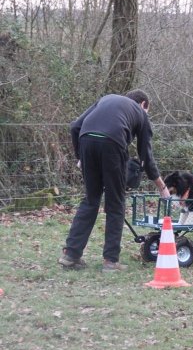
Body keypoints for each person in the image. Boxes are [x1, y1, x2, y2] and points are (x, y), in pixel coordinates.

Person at [58, 89, 170, 271]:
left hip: (86, 140)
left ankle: (71, 255)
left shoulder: (106, 99)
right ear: (143, 105)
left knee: (91, 200)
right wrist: (161, 186)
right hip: (113, 143)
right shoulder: (140, 112)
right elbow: (146, 156)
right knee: (115, 203)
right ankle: (111, 261)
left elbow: (75, 126)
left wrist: (80, 157)